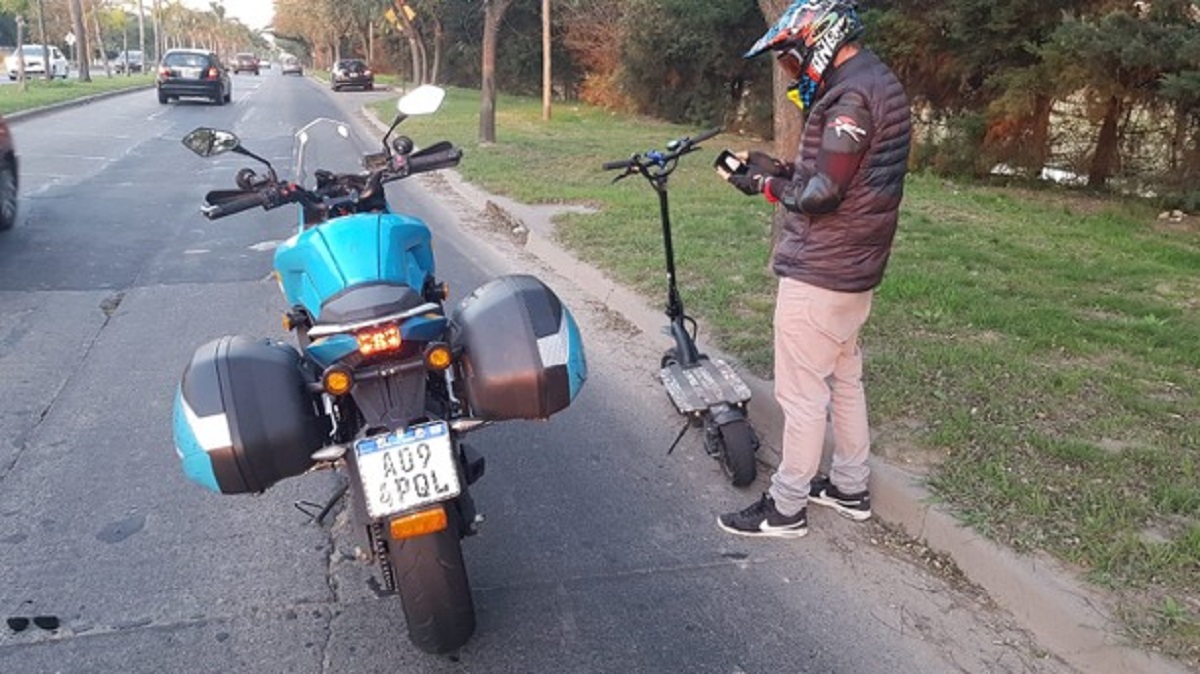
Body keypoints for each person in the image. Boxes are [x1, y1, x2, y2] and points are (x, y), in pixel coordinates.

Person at [716, 0, 912, 538]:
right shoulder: (875, 80)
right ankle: (850, 487)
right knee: (844, 377)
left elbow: (824, 195)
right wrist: (781, 168)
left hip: (823, 270)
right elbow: (843, 172)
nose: (789, 71)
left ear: (817, 43)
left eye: (789, 58)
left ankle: (785, 508)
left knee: (802, 395)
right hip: (855, 266)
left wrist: (765, 186)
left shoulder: (849, 97)